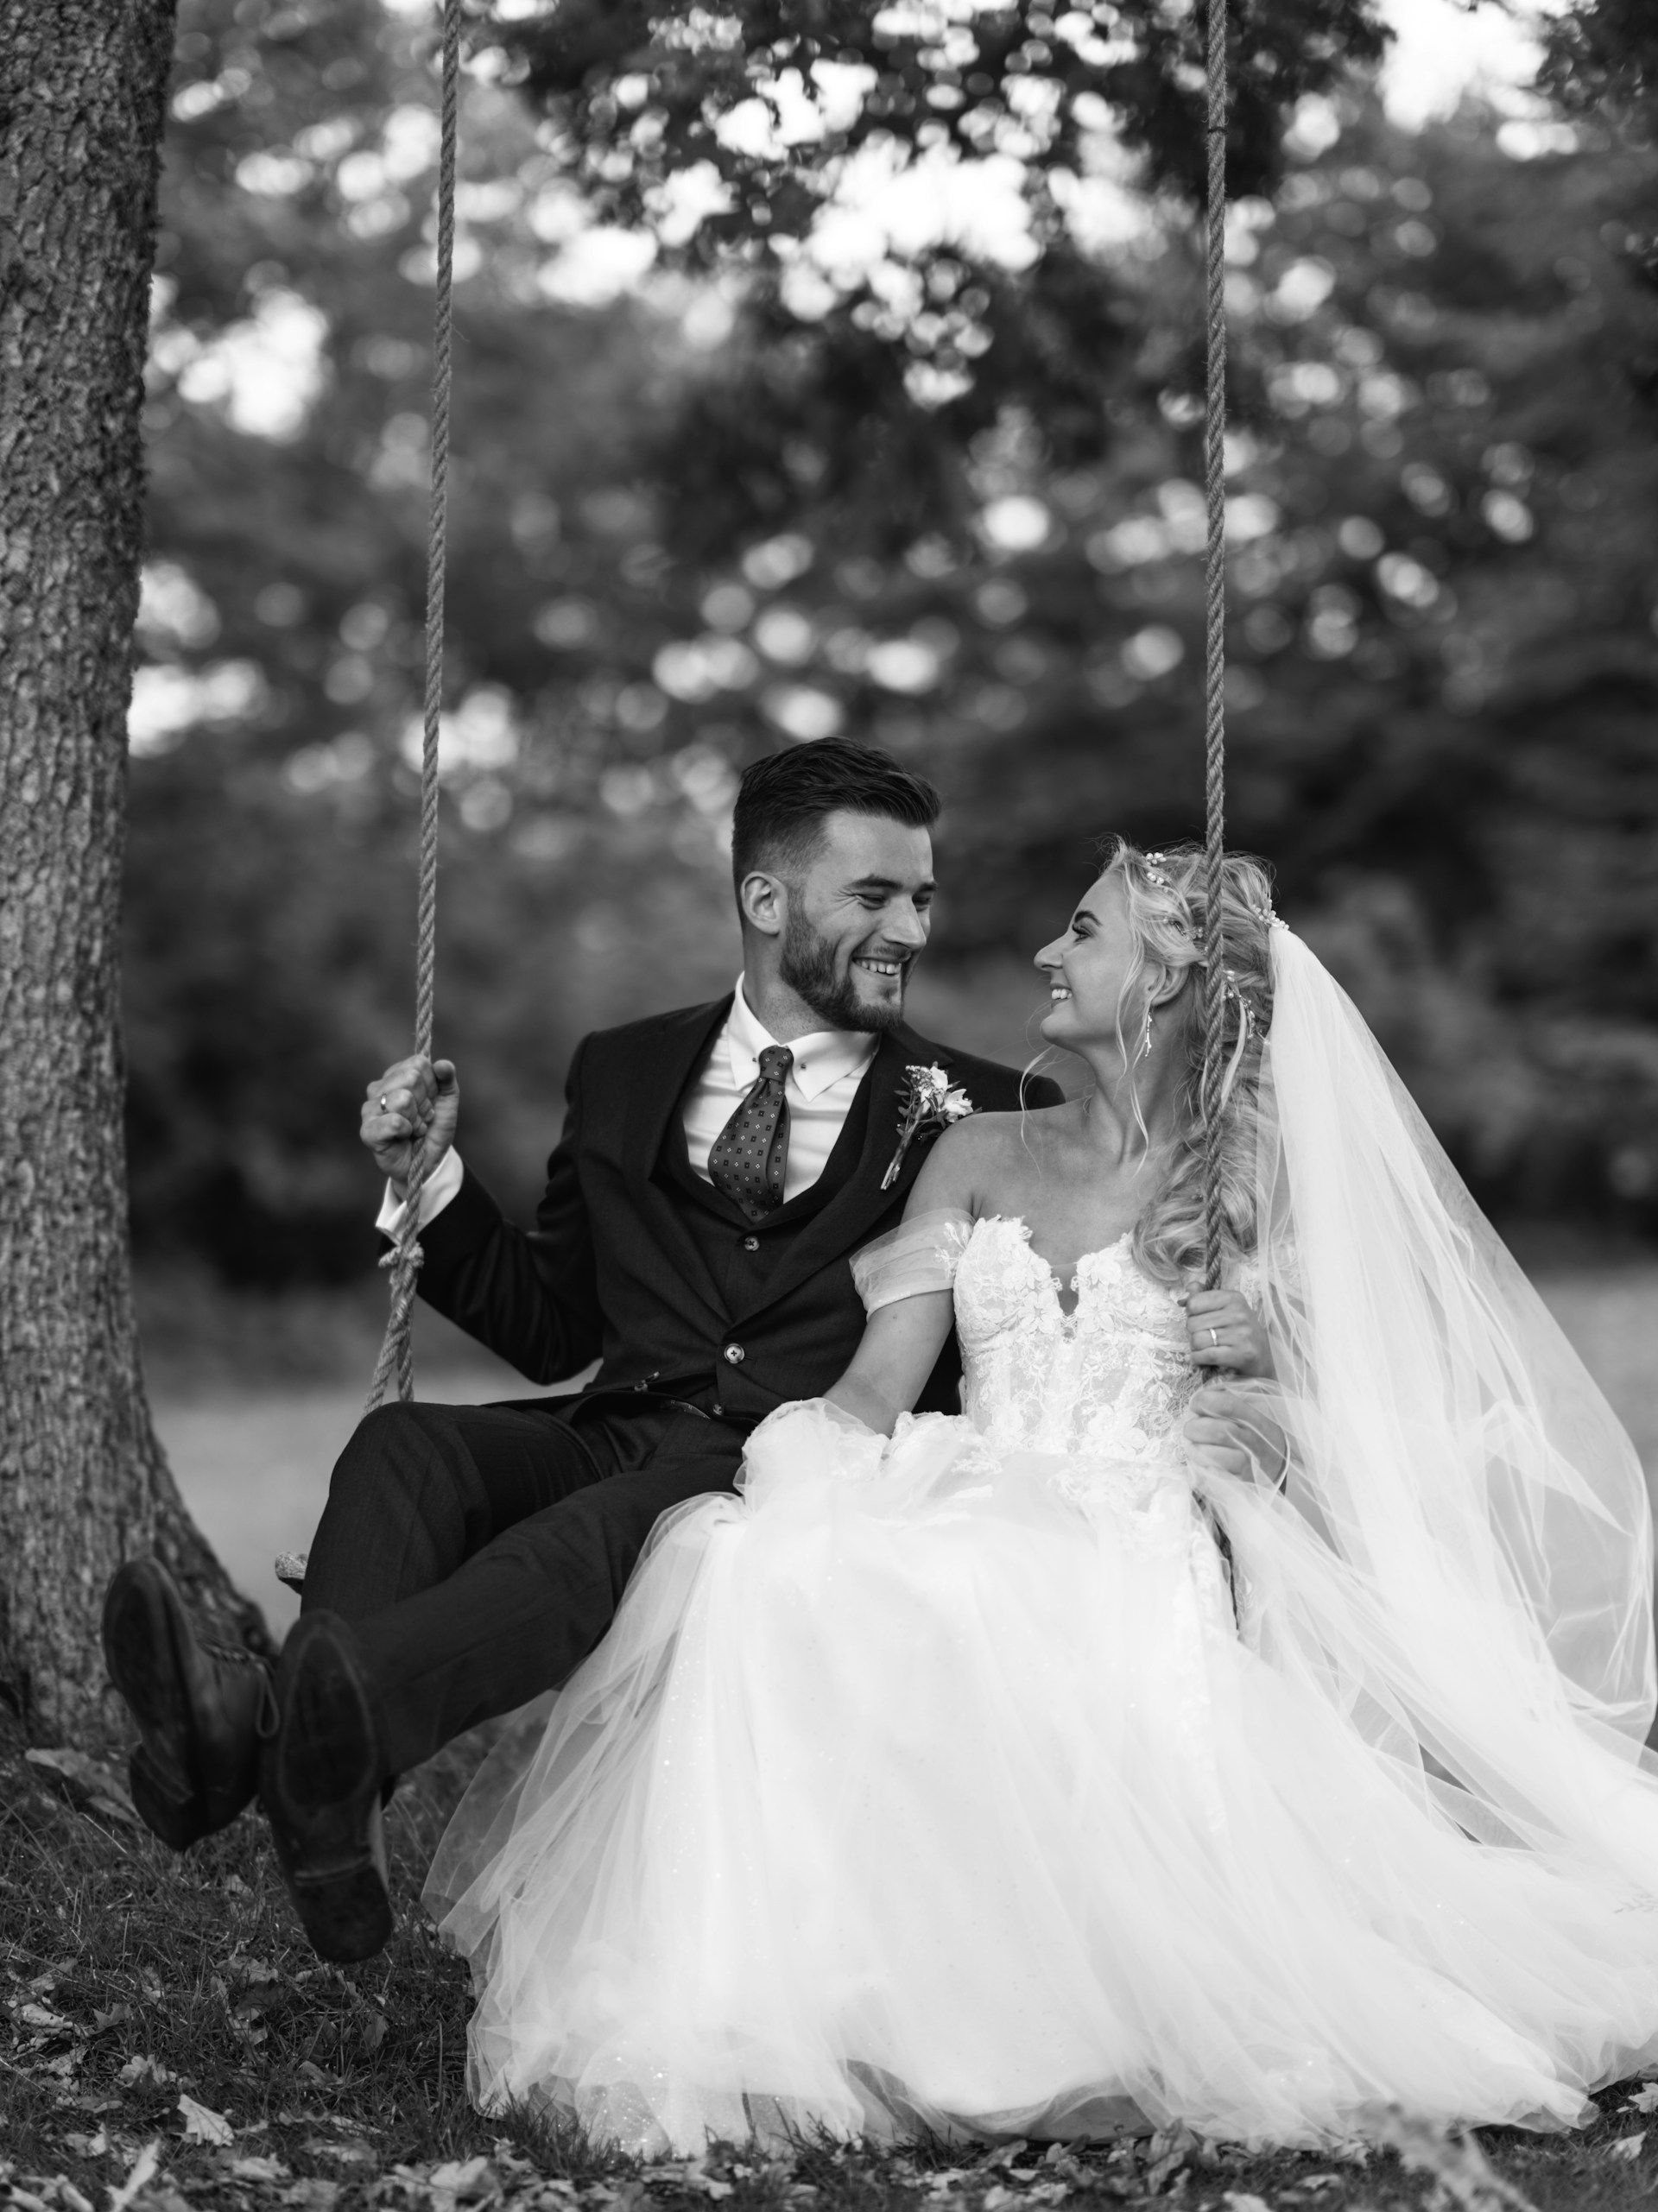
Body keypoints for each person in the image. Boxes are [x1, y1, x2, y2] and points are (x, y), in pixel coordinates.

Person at [427, 840, 1658, 2155]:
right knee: (758, 1566)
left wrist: (1269, 1371)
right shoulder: (970, 1153)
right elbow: (878, 1385)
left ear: (1172, 977)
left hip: (1134, 1535)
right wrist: (793, 1470)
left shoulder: (1254, 1189)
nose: (1045, 954)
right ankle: (794, 2000)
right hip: (971, 1485)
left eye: (1083, 932)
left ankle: (1028, 2019)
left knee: (979, 1587)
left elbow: (1342, 1444)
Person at [102, 738, 1099, 1962]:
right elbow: (553, 1325)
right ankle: (327, 1802)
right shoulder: (623, 1069)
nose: (913, 929)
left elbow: (1051, 1319)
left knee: (608, 1527)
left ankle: (241, 1739)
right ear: (766, 899)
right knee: (406, 1447)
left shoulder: (987, 1110)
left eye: (923, 898)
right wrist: (432, 1182)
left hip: (786, 1468)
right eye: (875, 896)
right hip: (615, 1421)